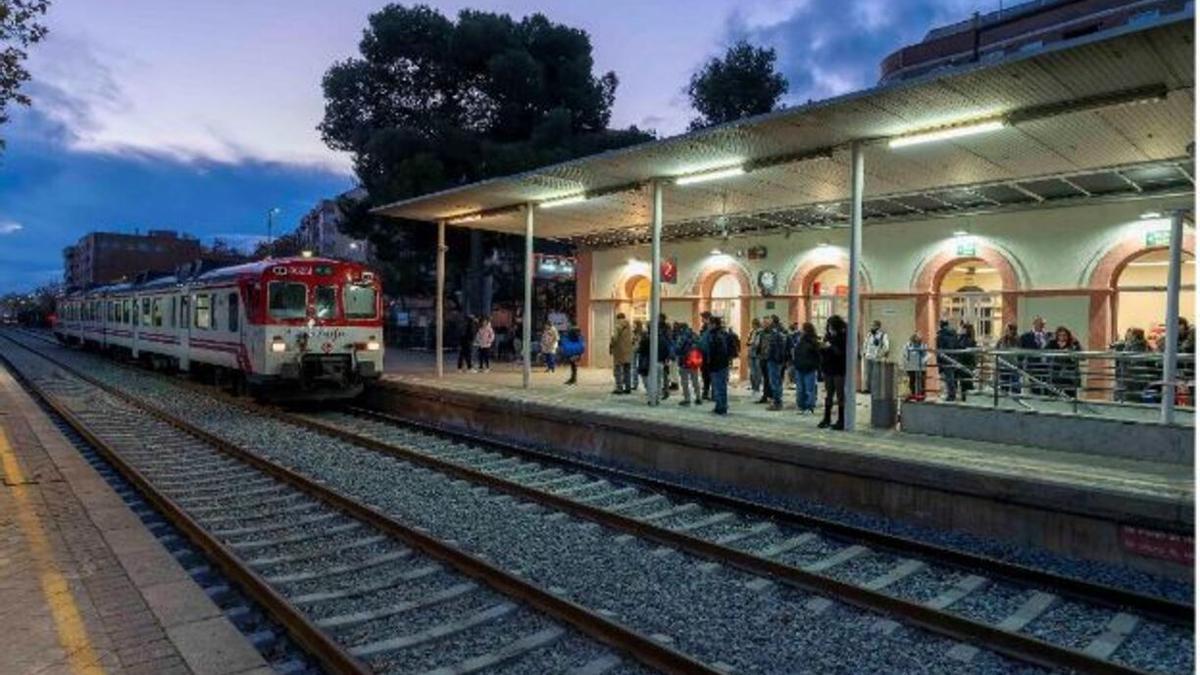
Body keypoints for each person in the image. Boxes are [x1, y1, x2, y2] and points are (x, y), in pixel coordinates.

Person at [818, 315, 848, 430]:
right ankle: (826, 418)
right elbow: (823, 351)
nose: (829, 328)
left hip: (839, 370)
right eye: (828, 326)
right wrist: (822, 347)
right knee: (828, 394)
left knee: (840, 395)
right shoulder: (828, 336)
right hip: (828, 368)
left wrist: (830, 347)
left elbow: (842, 353)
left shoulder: (844, 337)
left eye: (831, 326)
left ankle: (841, 420)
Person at [705, 316, 736, 415]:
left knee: (719, 387)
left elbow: (716, 352)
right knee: (721, 387)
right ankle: (721, 406)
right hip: (722, 364)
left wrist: (711, 362)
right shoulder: (724, 334)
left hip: (717, 365)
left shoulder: (716, 336)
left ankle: (721, 408)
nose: (708, 325)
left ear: (714, 324)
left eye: (709, 323)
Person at [1112, 327, 1149, 402]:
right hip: (1129, 376)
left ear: (1135, 336)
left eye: (1130, 333)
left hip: (1131, 377)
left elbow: (1134, 361)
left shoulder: (1136, 346)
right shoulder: (1134, 345)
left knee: (1129, 397)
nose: (1127, 335)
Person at [790, 321, 820, 413]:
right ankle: (802, 406)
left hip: (809, 368)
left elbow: (817, 355)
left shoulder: (813, 341)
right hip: (799, 367)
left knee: (809, 389)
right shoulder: (800, 340)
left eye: (802, 329)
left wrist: (814, 365)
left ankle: (809, 407)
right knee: (800, 389)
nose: (801, 330)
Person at [1019, 316, 1051, 394]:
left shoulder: (1049, 336)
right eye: (1039, 323)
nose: (1041, 325)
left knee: (1047, 387)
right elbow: (1021, 354)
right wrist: (1020, 367)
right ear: (1034, 323)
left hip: (1047, 367)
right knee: (1035, 388)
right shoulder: (1025, 337)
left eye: (1042, 324)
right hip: (1033, 366)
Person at [675, 321, 703, 406]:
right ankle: (698, 397)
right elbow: (700, 346)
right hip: (694, 362)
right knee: (695, 381)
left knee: (685, 381)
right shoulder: (695, 335)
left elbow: (678, 349)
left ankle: (687, 399)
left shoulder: (681, 337)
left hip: (684, 362)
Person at [1049, 325, 1082, 397]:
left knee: (1070, 396)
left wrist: (1072, 352)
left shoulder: (1074, 343)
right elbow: (1045, 354)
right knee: (1055, 395)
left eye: (1064, 335)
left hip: (1070, 376)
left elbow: (1082, 356)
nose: (1062, 337)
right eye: (1060, 335)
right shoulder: (1052, 343)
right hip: (1056, 375)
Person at [764, 315, 788, 410]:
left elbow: (775, 348)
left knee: (775, 382)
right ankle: (777, 401)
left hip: (774, 360)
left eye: (767, 321)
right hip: (777, 360)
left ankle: (777, 402)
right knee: (776, 381)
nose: (765, 323)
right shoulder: (780, 331)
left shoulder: (775, 333)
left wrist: (770, 356)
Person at [861, 320, 891, 394]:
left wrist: (880, 354)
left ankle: (876, 390)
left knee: (877, 375)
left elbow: (886, 346)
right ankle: (869, 389)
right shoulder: (869, 334)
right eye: (871, 325)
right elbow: (865, 344)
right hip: (868, 357)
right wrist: (864, 352)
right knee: (868, 374)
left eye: (874, 325)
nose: (872, 327)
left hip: (877, 358)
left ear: (878, 326)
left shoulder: (883, 335)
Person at [609, 312, 633, 394]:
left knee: (618, 370)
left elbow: (615, 338)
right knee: (627, 370)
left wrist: (611, 345)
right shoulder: (629, 326)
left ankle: (619, 388)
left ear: (618, 318)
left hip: (619, 351)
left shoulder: (618, 325)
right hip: (628, 351)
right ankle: (628, 387)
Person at [935, 320, 959, 401]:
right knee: (952, 378)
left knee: (948, 379)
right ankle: (954, 394)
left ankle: (950, 395)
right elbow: (956, 346)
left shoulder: (940, 336)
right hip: (953, 359)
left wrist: (938, 362)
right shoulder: (954, 335)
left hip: (945, 359)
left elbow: (939, 349)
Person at [995, 322, 1021, 396]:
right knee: (1004, 386)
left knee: (1015, 387)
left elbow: (1019, 353)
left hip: (1014, 366)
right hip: (1003, 367)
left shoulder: (1017, 340)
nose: (1007, 332)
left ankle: (1016, 399)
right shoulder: (1001, 340)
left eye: (1009, 330)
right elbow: (997, 352)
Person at [902, 332, 928, 401]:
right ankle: (913, 394)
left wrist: (924, 361)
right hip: (911, 367)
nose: (919, 339)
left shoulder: (923, 345)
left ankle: (921, 396)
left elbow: (926, 355)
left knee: (921, 382)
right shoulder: (907, 345)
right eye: (917, 338)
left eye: (920, 338)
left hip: (921, 367)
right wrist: (906, 364)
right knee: (912, 382)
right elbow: (905, 355)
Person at [956, 322, 978, 402]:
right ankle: (966, 398)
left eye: (962, 328)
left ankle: (966, 398)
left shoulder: (965, 339)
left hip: (965, 364)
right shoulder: (970, 339)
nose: (960, 330)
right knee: (965, 382)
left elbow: (960, 347)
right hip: (967, 364)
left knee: (965, 383)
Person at [755, 317, 773, 404]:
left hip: (770, 359)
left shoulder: (774, 334)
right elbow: (758, 345)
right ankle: (766, 395)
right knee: (765, 378)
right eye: (763, 323)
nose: (764, 324)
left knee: (770, 378)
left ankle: (771, 395)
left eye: (766, 323)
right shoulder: (761, 333)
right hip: (763, 358)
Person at [698, 311, 713, 400]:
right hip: (703, 354)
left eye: (703, 318)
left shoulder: (709, 329)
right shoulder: (704, 328)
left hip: (708, 355)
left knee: (708, 374)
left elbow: (707, 343)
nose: (702, 319)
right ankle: (706, 391)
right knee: (705, 374)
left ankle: (708, 392)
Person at [747, 318, 763, 394]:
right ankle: (753, 386)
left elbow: (757, 343)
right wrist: (750, 343)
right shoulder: (752, 331)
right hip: (751, 353)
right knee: (752, 372)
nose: (752, 326)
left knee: (758, 371)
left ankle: (757, 387)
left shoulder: (760, 332)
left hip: (758, 354)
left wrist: (752, 343)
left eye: (753, 324)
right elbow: (748, 341)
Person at [631, 319, 645, 392]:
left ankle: (643, 383)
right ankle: (635, 383)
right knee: (634, 368)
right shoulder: (634, 332)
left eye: (634, 324)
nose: (633, 325)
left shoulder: (642, 333)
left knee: (640, 367)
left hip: (640, 351)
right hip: (634, 350)